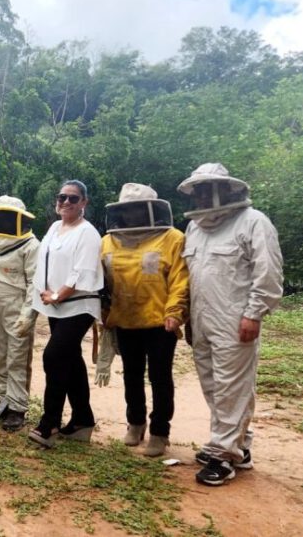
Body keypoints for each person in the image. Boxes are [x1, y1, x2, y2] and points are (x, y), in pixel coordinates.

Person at [177, 163, 283, 486]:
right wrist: (188, 318)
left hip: (236, 320)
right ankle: (239, 444)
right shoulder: (194, 228)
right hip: (202, 320)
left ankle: (223, 455)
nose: (204, 196)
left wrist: (254, 313)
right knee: (213, 384)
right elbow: (190, 277)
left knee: (231, 386)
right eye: (199, 190)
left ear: (226, 189)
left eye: (209, 189)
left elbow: (268, 274)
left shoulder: (253, 223)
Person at [98, 184, 189, 457]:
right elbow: (101, 282)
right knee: (131, 375)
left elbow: (180, 279)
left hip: (160, 322)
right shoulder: (107, 242)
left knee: (160, 377)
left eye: (137, 208)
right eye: (127, 210)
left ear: (150, 209)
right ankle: (135, 423)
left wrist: (175, 312)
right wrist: (103, 313)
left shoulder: (173, 239)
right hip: (125, 320)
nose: (132, 215)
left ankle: (160, 431)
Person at [27, 180, 103, 449]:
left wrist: (58, 295)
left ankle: (50, 422)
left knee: (54, 356)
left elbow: (82, 272)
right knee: (71, 359)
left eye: (73, 198)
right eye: (62, 198)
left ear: (84, 202)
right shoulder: (54, 228)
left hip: (79, 304)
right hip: (54, 304)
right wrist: (47, 296)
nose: (66, 203)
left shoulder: (88, 233)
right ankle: (83, 419)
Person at [0, 196, 40, 431]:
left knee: (18, 358)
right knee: (0, 356)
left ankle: (17, 408)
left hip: (18, 308)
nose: (2, 219)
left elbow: (35, 282)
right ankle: (4, 399)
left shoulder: (31, 245)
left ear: (18, 219)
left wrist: (28, 315)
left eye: (7, 216)